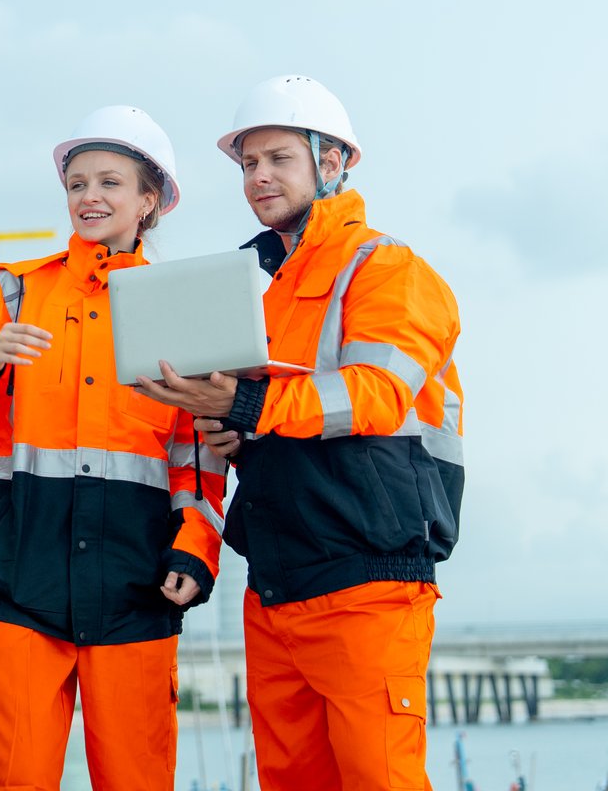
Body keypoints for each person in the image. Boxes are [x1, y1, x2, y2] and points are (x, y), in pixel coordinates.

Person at [133, 75, 464, 790]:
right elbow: (270, 408)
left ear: (334, 161)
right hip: (275, 582)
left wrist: (248, 408)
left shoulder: (387, 268)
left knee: (380, 778)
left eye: (278, 158)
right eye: (248, 164)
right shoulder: (251, 285)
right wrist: (228, 427)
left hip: (368, 576)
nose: (258, 178)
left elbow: (376, 395)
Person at [0, 105, 226, 791]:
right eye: (77, 183)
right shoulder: (3, 297)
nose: (90, 197)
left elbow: (197, 456)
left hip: (136, 589)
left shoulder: (179, 307)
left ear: (150, 200)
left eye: (110, 182)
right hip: (16, 586)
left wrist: (195, 551)